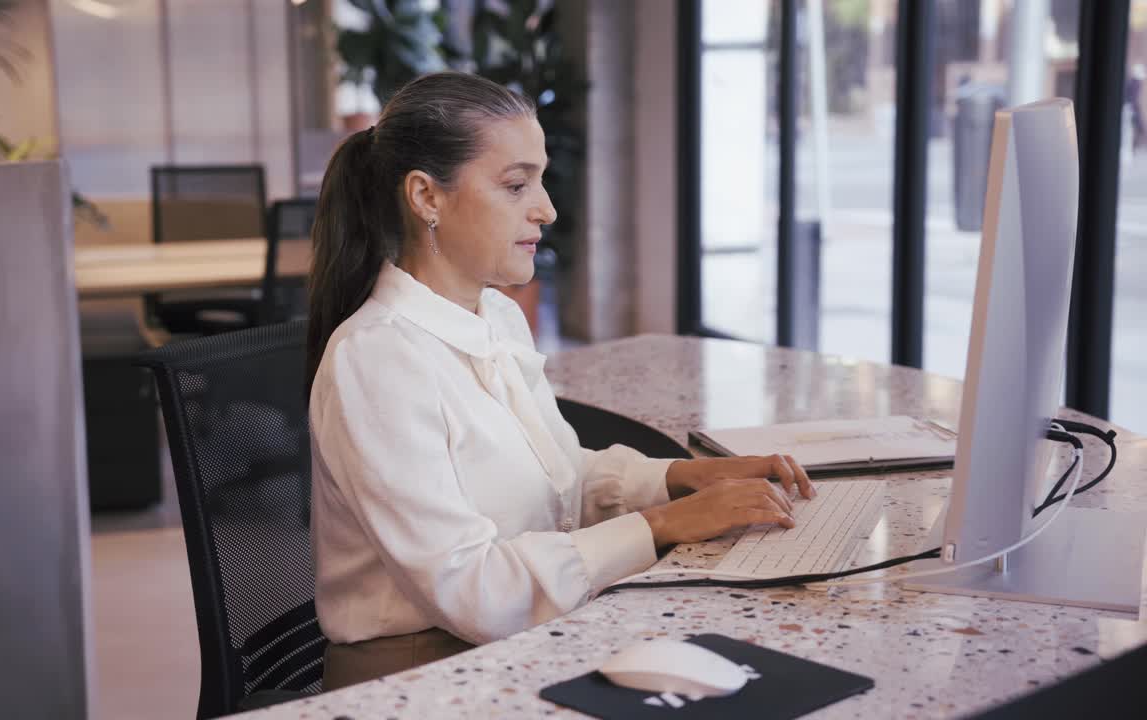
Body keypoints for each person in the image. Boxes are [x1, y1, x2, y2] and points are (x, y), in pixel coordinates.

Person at [306, 71, 815, 691]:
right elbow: (471, 589)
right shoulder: (377, 359)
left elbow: (554, 477)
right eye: (517, 184)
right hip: (420, 675)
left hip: (519, 638)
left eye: (540, 181)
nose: (546, 209)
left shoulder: (493, 314)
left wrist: (680, 479)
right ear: (426, 197)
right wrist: (658, 526)